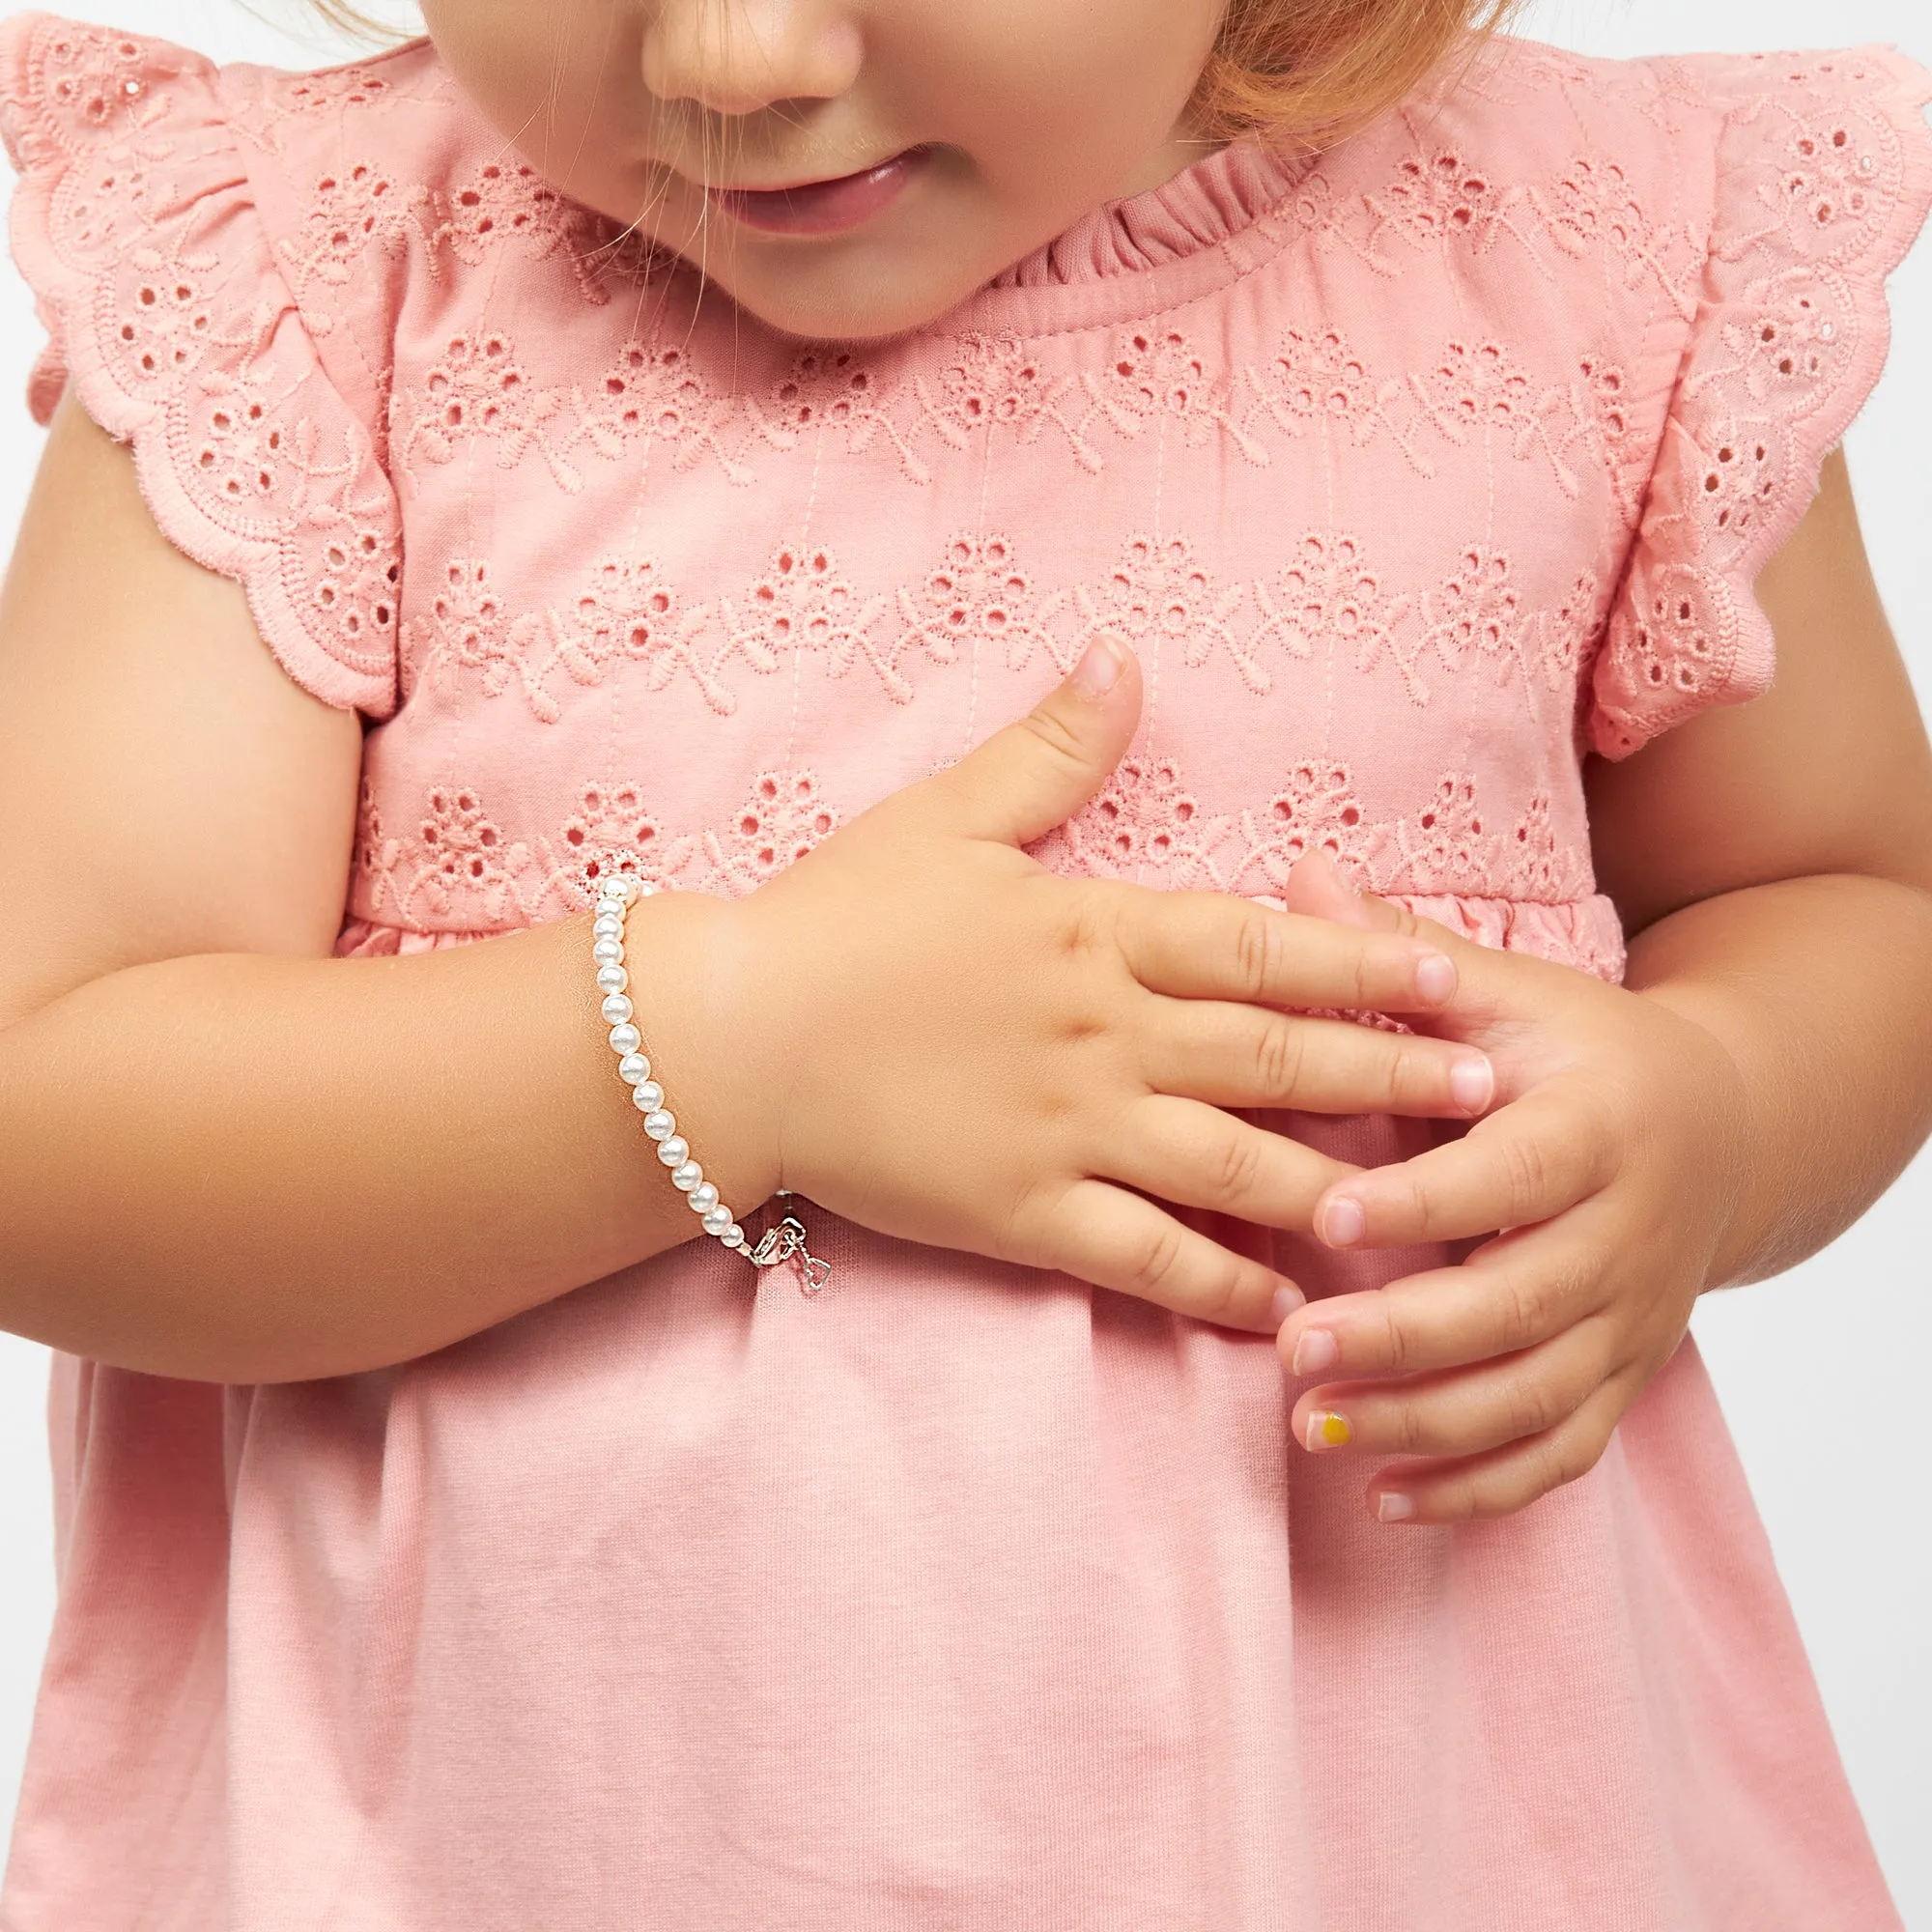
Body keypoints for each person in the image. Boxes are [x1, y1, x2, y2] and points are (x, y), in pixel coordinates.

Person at [0, 0, 1928, 1921]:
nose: (734, 61)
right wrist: (729, 1048)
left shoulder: (1586, 257)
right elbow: (45, 1107)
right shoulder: (314, 282)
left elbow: (1844, 892)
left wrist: (1721, 1110)